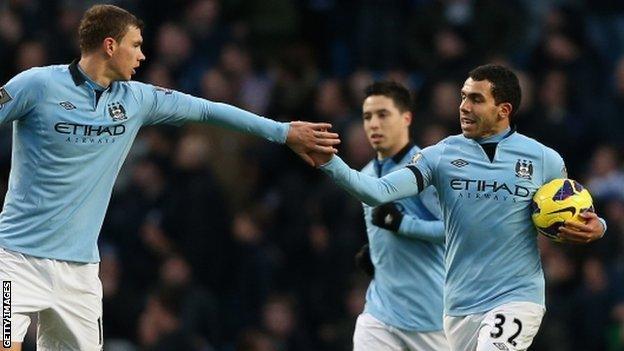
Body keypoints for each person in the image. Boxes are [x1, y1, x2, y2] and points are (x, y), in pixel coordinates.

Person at [0, 5, 339, 351]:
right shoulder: (36, 85)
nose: (143, 55)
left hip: (80, 271)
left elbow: (209, 110)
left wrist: (283, 132)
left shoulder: (138, 99)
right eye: (136, 45)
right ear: (110, 46)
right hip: (17, 260)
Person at [309, 64, 607, 351]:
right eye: (463, 96)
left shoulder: (545, 159)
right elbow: (378, 191)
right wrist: (328, 161)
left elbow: (570, 210)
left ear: (503, 110)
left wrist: (598, 227)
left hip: (517, 296)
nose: (464, 106)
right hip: (458, 304)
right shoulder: (440, 156)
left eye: (476, 99)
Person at [351, 81, 449, 350]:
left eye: (383, 115)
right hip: (380, 314)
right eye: (367, 116)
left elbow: (455, 232)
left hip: (432, 320)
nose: (373, 124)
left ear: (406, 118)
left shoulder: (428, 171)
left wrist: (404, 225)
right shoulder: (366, 174)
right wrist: (376, 253)